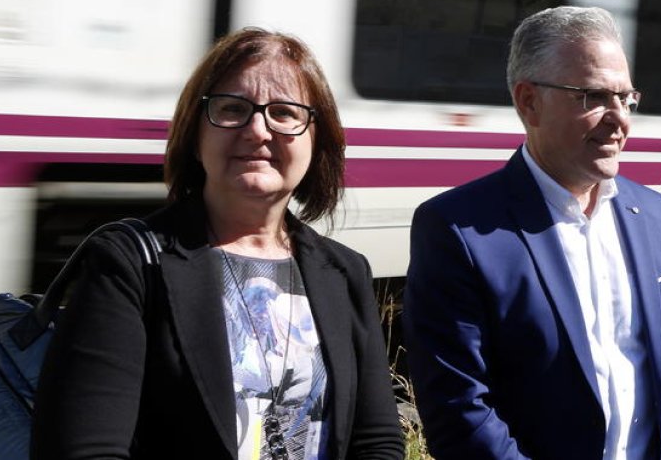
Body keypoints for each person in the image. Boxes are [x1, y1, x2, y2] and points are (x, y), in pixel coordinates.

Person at [32, 28, 405, 460]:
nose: (257, 129)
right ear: (195, 133)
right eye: (232, 109)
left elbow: (376, 440)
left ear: (316, 138)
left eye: (284, 113)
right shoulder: (128, 264)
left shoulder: (344, 272)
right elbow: (87, 450)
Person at [403, 6, 661, 460]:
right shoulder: (459, 230)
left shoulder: (658, 216)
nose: (619, 118)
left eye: (626, 97)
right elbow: (460, 409)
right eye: (595, 97)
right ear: (528, 101)